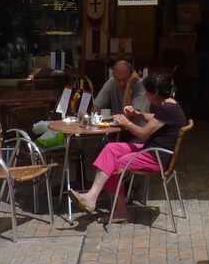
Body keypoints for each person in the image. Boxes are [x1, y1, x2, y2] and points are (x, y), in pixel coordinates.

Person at [70, 73, 185, 223]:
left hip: (156, 158)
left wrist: (126, 122)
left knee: (114, 165)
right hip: (152, 150)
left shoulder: (167, 110)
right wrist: (137, 113)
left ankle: (119, 211)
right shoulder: (171, 104)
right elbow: (156, 119)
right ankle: (92, 196)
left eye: (147, 92)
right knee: (111, 149)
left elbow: (142, 133)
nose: (145, 95)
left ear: (155, 94)